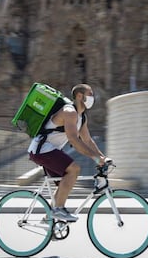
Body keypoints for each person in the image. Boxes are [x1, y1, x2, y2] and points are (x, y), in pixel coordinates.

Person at [28, 83, 110, 222]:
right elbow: (74, 140)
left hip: (50, 150)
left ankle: (49, 219)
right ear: (79, 96)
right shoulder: (69, 112)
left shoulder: (82, 117)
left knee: (63, 185)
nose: (93, 98)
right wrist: (96, 160)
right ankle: (58, 210)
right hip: (41, 150)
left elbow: (88, 140)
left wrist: (103, 157)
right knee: (74, 170)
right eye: (90, 94)